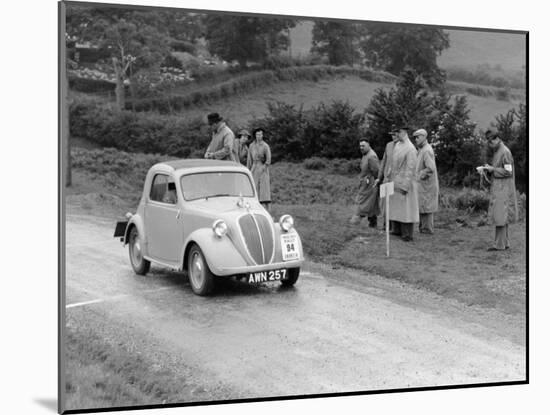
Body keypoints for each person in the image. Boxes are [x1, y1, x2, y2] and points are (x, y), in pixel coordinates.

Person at [481, 129, 518, 251]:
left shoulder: (505, 152)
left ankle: (499, 245)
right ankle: (504, 243)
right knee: (501, 216)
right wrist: (489, 169)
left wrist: (493, 170)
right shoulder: (498, 150)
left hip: (504, 189)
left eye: (490, 142)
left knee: (500, 216)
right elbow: (500, 168)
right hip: (499, 187)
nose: (490, 145)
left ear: (496, 139)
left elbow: (508, 171)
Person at [386, 125, 419, 241]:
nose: (396, 135)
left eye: (398, 132)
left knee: (407, 210)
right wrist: (389, 176)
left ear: (404, 132)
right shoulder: (398, 145)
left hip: (406, 182)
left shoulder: (410, 149)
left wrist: (405, 185)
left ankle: (407, 234)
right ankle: (396, 229)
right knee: (396, 208)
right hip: (395, 180)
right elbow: (392, 163)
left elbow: (411, 169)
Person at [413, 128, 439, 234]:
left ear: (424, 137)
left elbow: (430, 168)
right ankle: (423, 229)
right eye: (415, 137)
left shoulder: (427, 150)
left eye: (417, 137)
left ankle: (427, 230)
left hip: (427, 185)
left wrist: (419, 176)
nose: (416, 139)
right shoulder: (422, 149)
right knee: (423, 206)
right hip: (424, 185)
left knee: (426, 207)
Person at [350, 138, 380, 228]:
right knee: (371, 203)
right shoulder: (365, 154)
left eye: (363, 146)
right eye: (360, 146)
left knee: (363, 202)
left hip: (370, 183)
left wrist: (372, 181)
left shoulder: (371, 156)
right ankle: (372, 223)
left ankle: (355, 220)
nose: (361, 148)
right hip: (365, 182)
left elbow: (376, 171)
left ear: (368, 145)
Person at [374, 126, 399, 230]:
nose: (394, 136)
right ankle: (386, 225)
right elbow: (383, 162)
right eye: (392, 134)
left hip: (396, 180)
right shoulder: (388, 145)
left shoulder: (404, 146)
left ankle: (395, 227)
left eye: (395, 134)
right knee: (384, 203)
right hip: (386, 179)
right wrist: (379, 177)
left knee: (395, 204)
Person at [247, 128, 272, 211]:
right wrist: (248, 170)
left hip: (262, 167)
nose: (259, 136)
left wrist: (264, 167)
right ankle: (255, 207)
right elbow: (249, 159)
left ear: (263, 135)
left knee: (264, 188)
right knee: (254, 186)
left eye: (260, 134)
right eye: (257, 134)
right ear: (255, 135)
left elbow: (268, 159)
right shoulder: (251, 145)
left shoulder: (265, 146)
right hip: (254, 167)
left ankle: (266, 208)